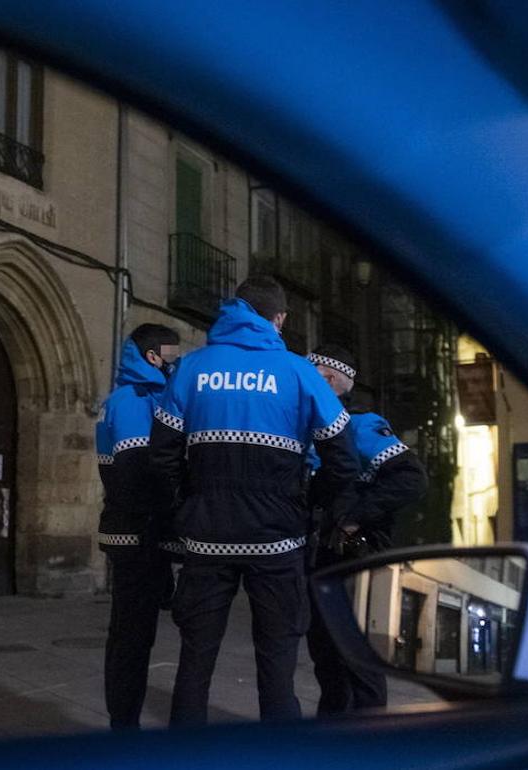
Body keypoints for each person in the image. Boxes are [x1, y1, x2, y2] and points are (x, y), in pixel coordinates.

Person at [150, 275, 360, 727]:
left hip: (206, 536)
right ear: (278, 319)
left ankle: (185, 755)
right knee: (278, 665)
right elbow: (343, 460)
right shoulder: (300, 373)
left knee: (195, 661)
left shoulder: (191, 368)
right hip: (278, 540)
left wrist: (185, 507)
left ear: (234, 310)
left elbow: (161, 457)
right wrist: (310, 506)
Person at [305, 343, 429, 715]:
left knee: (358, 659)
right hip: (322, 555)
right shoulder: (315, 424)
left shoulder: (359, 424)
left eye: (311, 376)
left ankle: (369, 734)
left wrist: (354, 517)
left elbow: (411, 478)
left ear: (328, 379)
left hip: (355, 555)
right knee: (326, 657)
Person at [95, 323, 182, 730]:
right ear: (152, 356)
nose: (176, 362)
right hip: (137, 535)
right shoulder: (132, 400)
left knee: (136, 632)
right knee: (131, 635)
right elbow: (135, 474)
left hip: (144, 533)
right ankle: (124, 724)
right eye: (172, 355)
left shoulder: (145, 397)